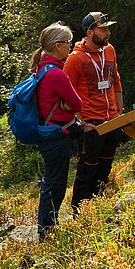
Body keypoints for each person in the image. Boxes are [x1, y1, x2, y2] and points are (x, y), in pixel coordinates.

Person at [63, 11, 124, 211]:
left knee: (104, 170)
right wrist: (80, 123)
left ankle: (96, 212)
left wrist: (120, 113)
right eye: (103, 29)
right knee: (87, 172)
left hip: (112, 121)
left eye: (108, 29)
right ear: (89, 32)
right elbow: (64, 94)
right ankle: (78, 214)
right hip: (91, 125)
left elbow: (116, 82)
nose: (108, 33)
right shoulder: (75, 59)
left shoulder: (110, 51)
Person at [30, 22, 84, 239]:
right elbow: (77, 103)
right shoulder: (57, 74)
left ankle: (47, 227)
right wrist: (67, 105)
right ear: (58, 46)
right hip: (57, 136)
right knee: (55, 184)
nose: (70, 47)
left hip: (48, 133)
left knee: (51, 181)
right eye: (68, 43)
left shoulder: (42, 68)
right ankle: (47, 231)